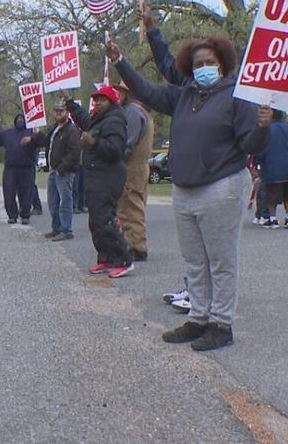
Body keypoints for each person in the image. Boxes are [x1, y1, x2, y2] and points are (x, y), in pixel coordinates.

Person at [107, 34, 272, 351]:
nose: (204, 67)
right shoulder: (184, 95)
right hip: (185, 191)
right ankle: (198, 318)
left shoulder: (237, 97)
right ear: (190, 68)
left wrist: (264, 126)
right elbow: (146, 91)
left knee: (221, 262)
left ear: (222, 64)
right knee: (195, 261)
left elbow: (251, 144)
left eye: (210, 62)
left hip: (222, 187)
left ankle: (221, 324)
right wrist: (119, 62)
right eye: (198, 64)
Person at [65, 86, 133, 278]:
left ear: (111, 102)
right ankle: (106, 258)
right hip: (96, 176)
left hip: (108, 177)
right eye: (96, 100)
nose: (97, 103)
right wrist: (70, 103)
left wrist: (94, 143)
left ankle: (123, 260)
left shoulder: (115, 121)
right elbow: (84, 120)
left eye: (102, 100)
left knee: (105, 221)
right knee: (96, 222)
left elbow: (116, 150)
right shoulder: (99, 119)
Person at [112, 82, 154, 262]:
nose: (118, 95)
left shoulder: (131, 111)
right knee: (135, 203)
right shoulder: (144, 112)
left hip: (132, 165)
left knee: (130, 206)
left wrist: (117, 159)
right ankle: (134, 242)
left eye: (122, 92)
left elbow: (128, 141)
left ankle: (136, 247)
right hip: (141, 164)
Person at [31, 103, 81, 241]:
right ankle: (56, 228)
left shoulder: (72, 130)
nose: (59, 113)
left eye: (62, 111)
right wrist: (37, 133)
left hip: (64, 171)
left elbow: (74, 152)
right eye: (56, 110)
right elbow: (45, 142)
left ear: (67, 112)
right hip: (54, 170)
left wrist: (62, 168)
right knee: (52, 201)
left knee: (65, 201)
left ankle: (66, 230)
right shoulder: (54, 128)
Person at [0, 114, 40, 225]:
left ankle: (25, 215)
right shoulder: (8, 133)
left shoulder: (32, 132)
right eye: (18, 119)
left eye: (22, 119)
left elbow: (40, 142)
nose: (20, 120)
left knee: (26, 193)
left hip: (27, 168)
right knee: (9, 192)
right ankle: (12, 215)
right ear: (15, 121)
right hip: (11, 168)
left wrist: (36, 135)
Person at [258, 110, 288, 229]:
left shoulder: (267, 130)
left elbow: (261, 149)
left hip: (272, 167)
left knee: (271, 195)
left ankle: (273, 219)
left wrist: (258, 163)